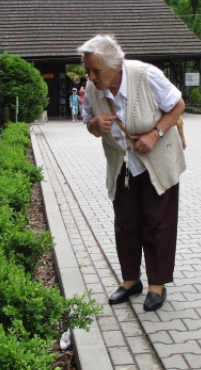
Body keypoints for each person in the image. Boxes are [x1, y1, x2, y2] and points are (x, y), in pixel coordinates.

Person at [79, 34, 186, 312]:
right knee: (126, 223)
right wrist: (94, 125)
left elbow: (178, 105)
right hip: (122, 165)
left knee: (157, 222)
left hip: (158, 160)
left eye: (96, 70)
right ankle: (130, 280)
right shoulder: (93, 90)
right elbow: (87, 122)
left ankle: (156, 284)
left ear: (116, 65)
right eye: (87, 70)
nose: (90, 76)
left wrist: (155, 133)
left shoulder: (144, 75)